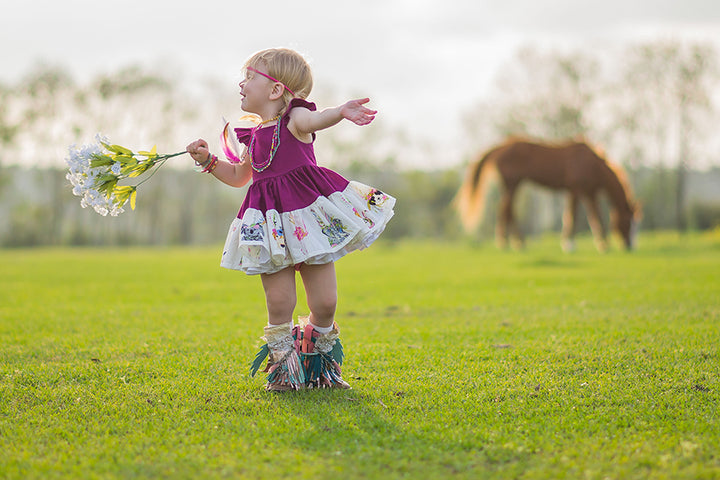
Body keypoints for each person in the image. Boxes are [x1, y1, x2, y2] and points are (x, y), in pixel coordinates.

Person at [186, 48, 395, 392]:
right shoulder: (252, 137)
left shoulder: (295, 120)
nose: (242, 83)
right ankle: (283, 370)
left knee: (325, 303)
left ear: (275, 90)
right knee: (280, 301)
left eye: (250, 76)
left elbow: (317, 119)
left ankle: (320, 366)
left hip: (308, 222)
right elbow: (240, 176)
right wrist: (208, 160)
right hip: (270, 226)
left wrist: (341, 112)